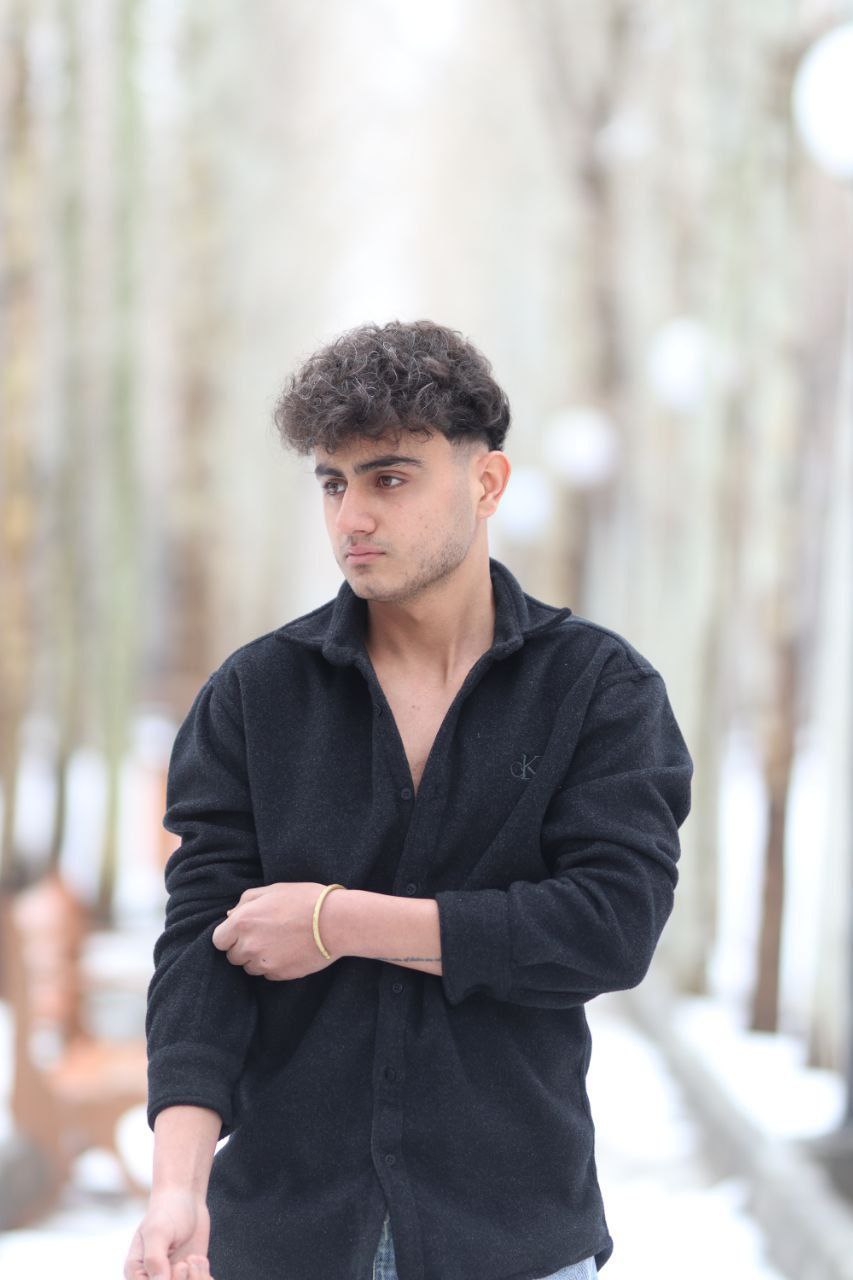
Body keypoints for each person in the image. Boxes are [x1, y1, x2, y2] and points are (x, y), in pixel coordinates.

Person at [124, 319, 694, 1280]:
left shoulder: (599, 690)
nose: (351, 516)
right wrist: (176, 1186)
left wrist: (337, 922)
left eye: (388, 479)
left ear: (486, 482)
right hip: (283, 1236)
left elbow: (609, 929)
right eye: (332, 483)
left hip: (514, 1237)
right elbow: (199, 954)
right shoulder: (255, 695)